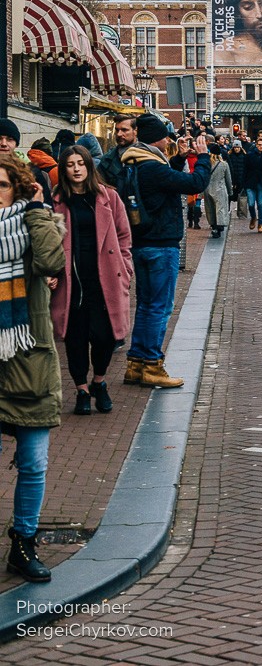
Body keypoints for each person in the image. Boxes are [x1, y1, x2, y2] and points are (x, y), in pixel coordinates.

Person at [0, 153, 67, 582]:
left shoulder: (33, 225)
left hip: (27, 356)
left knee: (34, 461)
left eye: (2, 184)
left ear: (18, 188)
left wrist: (40, 211)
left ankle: (23, 542)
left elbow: (50, 263)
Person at [116, 116, 211, 389]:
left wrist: (179, 159)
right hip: (161, 244)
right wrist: (202, 157)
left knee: (146, 305)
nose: (169, 140)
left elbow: (166, 183)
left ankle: (136, 364)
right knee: (160, 307)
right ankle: (153, 365)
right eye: (165, 137)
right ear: (155, 139)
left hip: (142, 243)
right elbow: (194, 184)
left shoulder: (135, 164)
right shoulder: (152, 168)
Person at [50, 146, 132, 417]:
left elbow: (123, 236)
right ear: (64, 169)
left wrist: (125, 268)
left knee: (105, 336)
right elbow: (46, 241)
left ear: (89, 166)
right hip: (70, 281)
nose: (76, 169)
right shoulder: (56, 201)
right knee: (75, 339)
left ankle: (99, 380)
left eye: (80, 163)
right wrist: (49, 271)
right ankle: (82, 390)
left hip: (105, 276)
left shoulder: (109, 197)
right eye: (70, 164)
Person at [97, 115, 138, 188]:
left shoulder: (146, 155)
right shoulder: (107, 160)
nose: (119, 134)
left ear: (135, 131)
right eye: (117, 130)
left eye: (124, 130)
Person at [242, 133, 262, 232]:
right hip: (250, 182)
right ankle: (253, 217)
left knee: (260, 204)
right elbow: (244, 169)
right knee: (250, 203)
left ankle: (260, 224)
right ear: (256, 145)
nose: (261, 147)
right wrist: (244, 182)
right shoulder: (249, 155)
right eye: (259, 145)